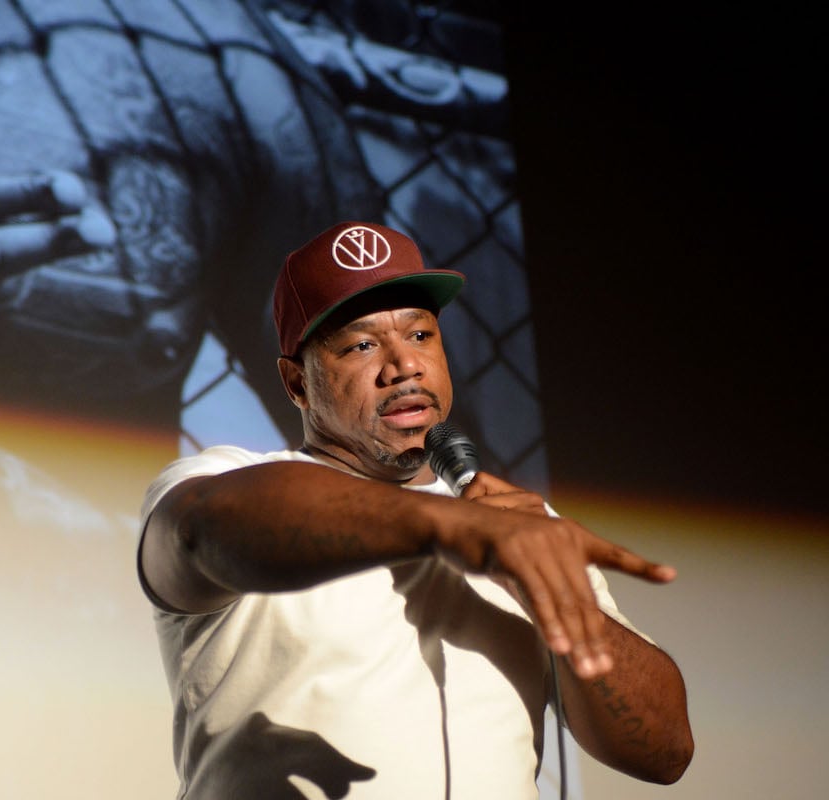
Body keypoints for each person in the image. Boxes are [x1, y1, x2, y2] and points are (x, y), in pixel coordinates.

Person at [137, 220, 694, 799]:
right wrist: (444, 523)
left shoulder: (519, 525)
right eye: (362, 344)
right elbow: (200, 532)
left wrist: (551, 600)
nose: (404, 365)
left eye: (421, 336)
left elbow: (665, 751)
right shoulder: (222, 479)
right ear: (296, 382)